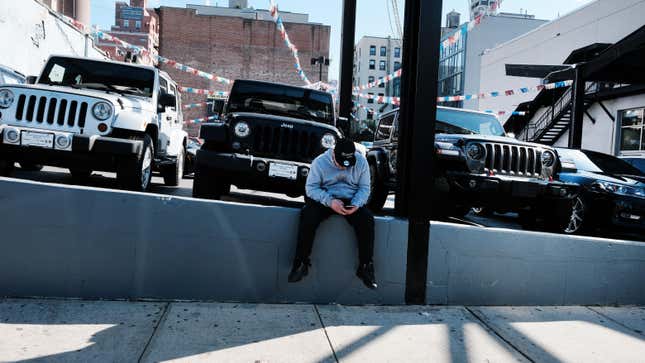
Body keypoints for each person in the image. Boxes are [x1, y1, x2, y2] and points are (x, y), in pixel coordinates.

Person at [288, 138, 377, 289]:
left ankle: (365, 267)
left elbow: (364, 188)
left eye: (347, 164)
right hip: (325, 198)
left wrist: (357, 203)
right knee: (308, 215)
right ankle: (301, 263)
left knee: (367, 220)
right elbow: (310, 188)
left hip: (350, 200)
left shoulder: (362, 163)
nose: (343, 167)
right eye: (339, 163)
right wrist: (330, 202)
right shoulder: (320, 162)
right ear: (333, 155)